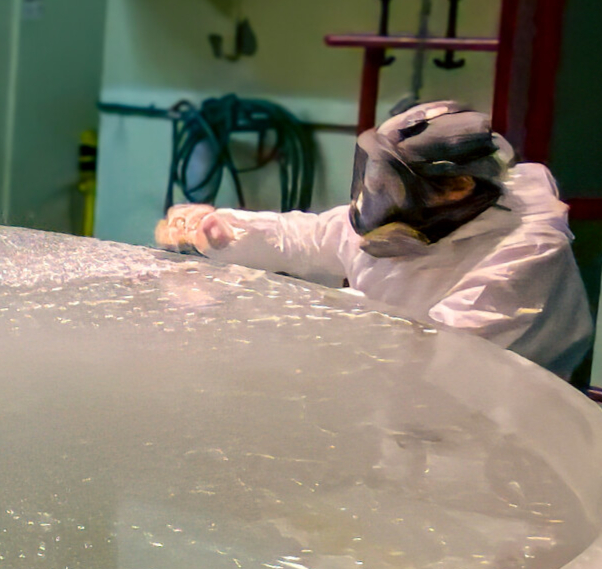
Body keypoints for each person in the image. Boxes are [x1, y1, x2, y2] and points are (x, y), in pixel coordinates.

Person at [155, 101, 593, 379]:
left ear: (458, 187)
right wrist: (221, 230)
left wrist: (281, 323)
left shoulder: (526, 251)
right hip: (406, 403)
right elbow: (309, 236)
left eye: (391, 182)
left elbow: (436, 352)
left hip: (499, 436)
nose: (376, 193)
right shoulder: (425, 212)